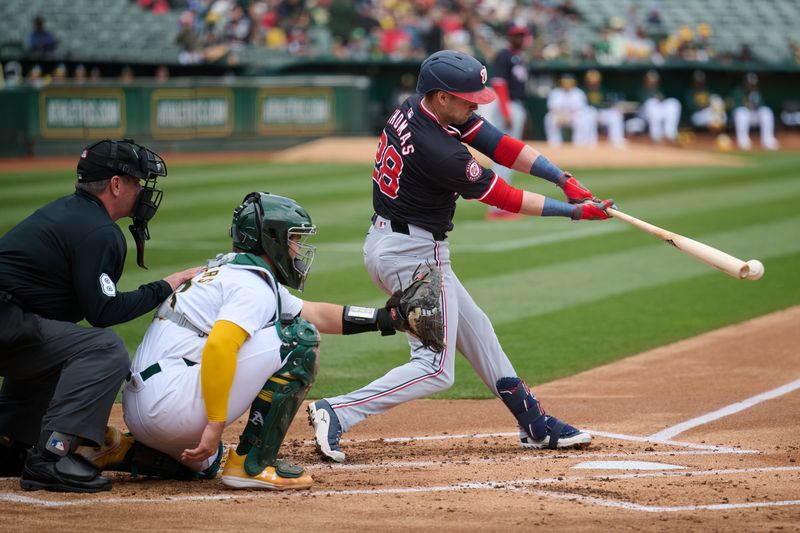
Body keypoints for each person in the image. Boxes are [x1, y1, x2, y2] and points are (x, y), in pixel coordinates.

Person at [308, 50, 615, 464]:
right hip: (412, 255)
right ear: (440, 97)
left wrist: (564, 179)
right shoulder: (439, 150)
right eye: (467, 98)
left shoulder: (419, 107)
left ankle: (533, 422)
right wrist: (574, 211)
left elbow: (499, 144)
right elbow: (503, 195)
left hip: (397, 243)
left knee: (478, 330)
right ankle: (338, 411)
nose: (475, 104)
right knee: (435, 368)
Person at [82, 192, 440, 490]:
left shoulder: (229, 271)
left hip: (145, 407)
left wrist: (387, 319)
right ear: (271, 238)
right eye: (294, 239)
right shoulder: (251, 286)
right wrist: (214, 425)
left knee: (205, 463)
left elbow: (314, 312)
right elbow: (223, 345)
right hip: (173, 408)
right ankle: (252, 464)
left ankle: (126, 448)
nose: (298, 250)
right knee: (297, 342)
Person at [0, 139, 200, 492]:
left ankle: (10, 444)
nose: (142, 192)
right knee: (102, 349)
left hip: (9, 319)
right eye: (138, 182)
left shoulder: (68, 213)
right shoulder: (99, 231)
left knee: (60, 341)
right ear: (116, 184)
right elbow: (103, 313)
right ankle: (52, 455)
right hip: (6, 319)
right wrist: (165, 286)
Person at [482, 23, 530, 221]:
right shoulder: (504, 55)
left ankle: (497, 202)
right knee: (507, 155)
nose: (519, 38)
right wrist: (505, 110)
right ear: (510, 37)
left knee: (508, 155)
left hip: (514, 105)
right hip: (507, 105)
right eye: (516, 34)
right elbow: (499, 83)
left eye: (522, 34)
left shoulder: (518, 57)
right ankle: (497, 205)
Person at [731, 72, 779, 151]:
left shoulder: (756, 93)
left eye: (753, 83)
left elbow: (761, 105)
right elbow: (736, 106)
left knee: (766, 111)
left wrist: (755, 106)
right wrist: (748, 106)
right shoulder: (738, 91)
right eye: (749, 83)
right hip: (742, 117)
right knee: (742, 112)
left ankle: (768, 140)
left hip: (754, 116)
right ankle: (743, 141)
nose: (751, 85)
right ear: (745, 83)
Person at [544, 74, 593, 147]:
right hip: (559, 115)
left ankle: (579, 144)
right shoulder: (555, 92)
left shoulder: (578, 92)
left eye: (569, 82)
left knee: (581, 119)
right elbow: (552, 108)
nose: (567, 84)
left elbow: (580, 109)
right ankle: (554, 144)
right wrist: (560, 115)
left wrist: (569, 115)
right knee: (549, 118)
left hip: (574, 116)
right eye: (565, 82)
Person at [582, 69, 626, 148]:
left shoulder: (602, 88)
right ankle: (590, 141)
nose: (593, 80)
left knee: (615, 115)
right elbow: (583, 105)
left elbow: (607, 102)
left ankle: (616, 140)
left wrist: (614, 108)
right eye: (591, 78)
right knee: (589, 114)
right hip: (589, 112)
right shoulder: (583, 90)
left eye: (595, 78)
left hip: (602, 112)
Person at [636, 69, 681, 144]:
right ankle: (656, 136)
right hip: (643, 114)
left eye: (654, 80)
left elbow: (662, 100)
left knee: (673, 102)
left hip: (657, 112)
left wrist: (660, 100)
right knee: (651, 103)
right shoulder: (641, 90)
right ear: (646, 80)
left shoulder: (658, 90)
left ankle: (670, 134)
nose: (652, 82)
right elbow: (644, 103)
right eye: (650, 80)